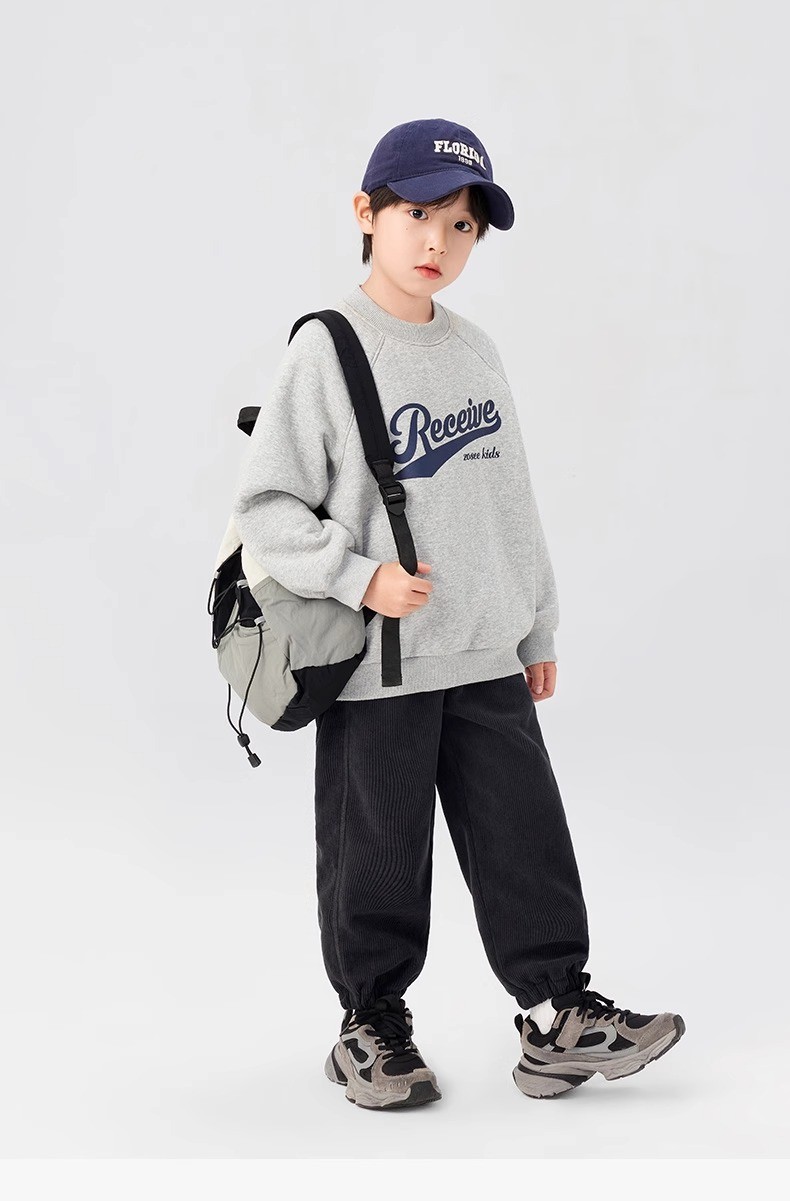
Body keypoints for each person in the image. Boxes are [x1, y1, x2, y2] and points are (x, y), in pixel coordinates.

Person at [232, 118, 685, 1110]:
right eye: (418, 215)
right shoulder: (328, 348)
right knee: (377, 856)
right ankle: (370, 1025)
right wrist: (359, 577)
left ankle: (558, 1015)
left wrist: (537, 625)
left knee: (525, 840)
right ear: (366, 213)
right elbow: (264, 507)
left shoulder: (477, 351)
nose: (439, 241)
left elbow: (509, 502)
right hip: (380, 665)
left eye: (462, 225)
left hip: (483, 653)